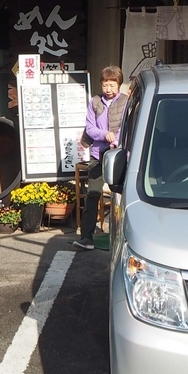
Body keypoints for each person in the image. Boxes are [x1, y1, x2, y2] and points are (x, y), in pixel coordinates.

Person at [75, 66, 127, 250]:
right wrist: (105, 134)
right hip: (98, 154)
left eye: (112, 85)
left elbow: (128, 127)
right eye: (105, 85)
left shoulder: (126, 102)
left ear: (119, 85)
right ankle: (86, 237)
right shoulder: (95, 102)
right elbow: (90, 128)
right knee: (93, 195)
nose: (108, 89)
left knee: (121, 196)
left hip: (120, 154)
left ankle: (123, 238)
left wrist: (117, 139)